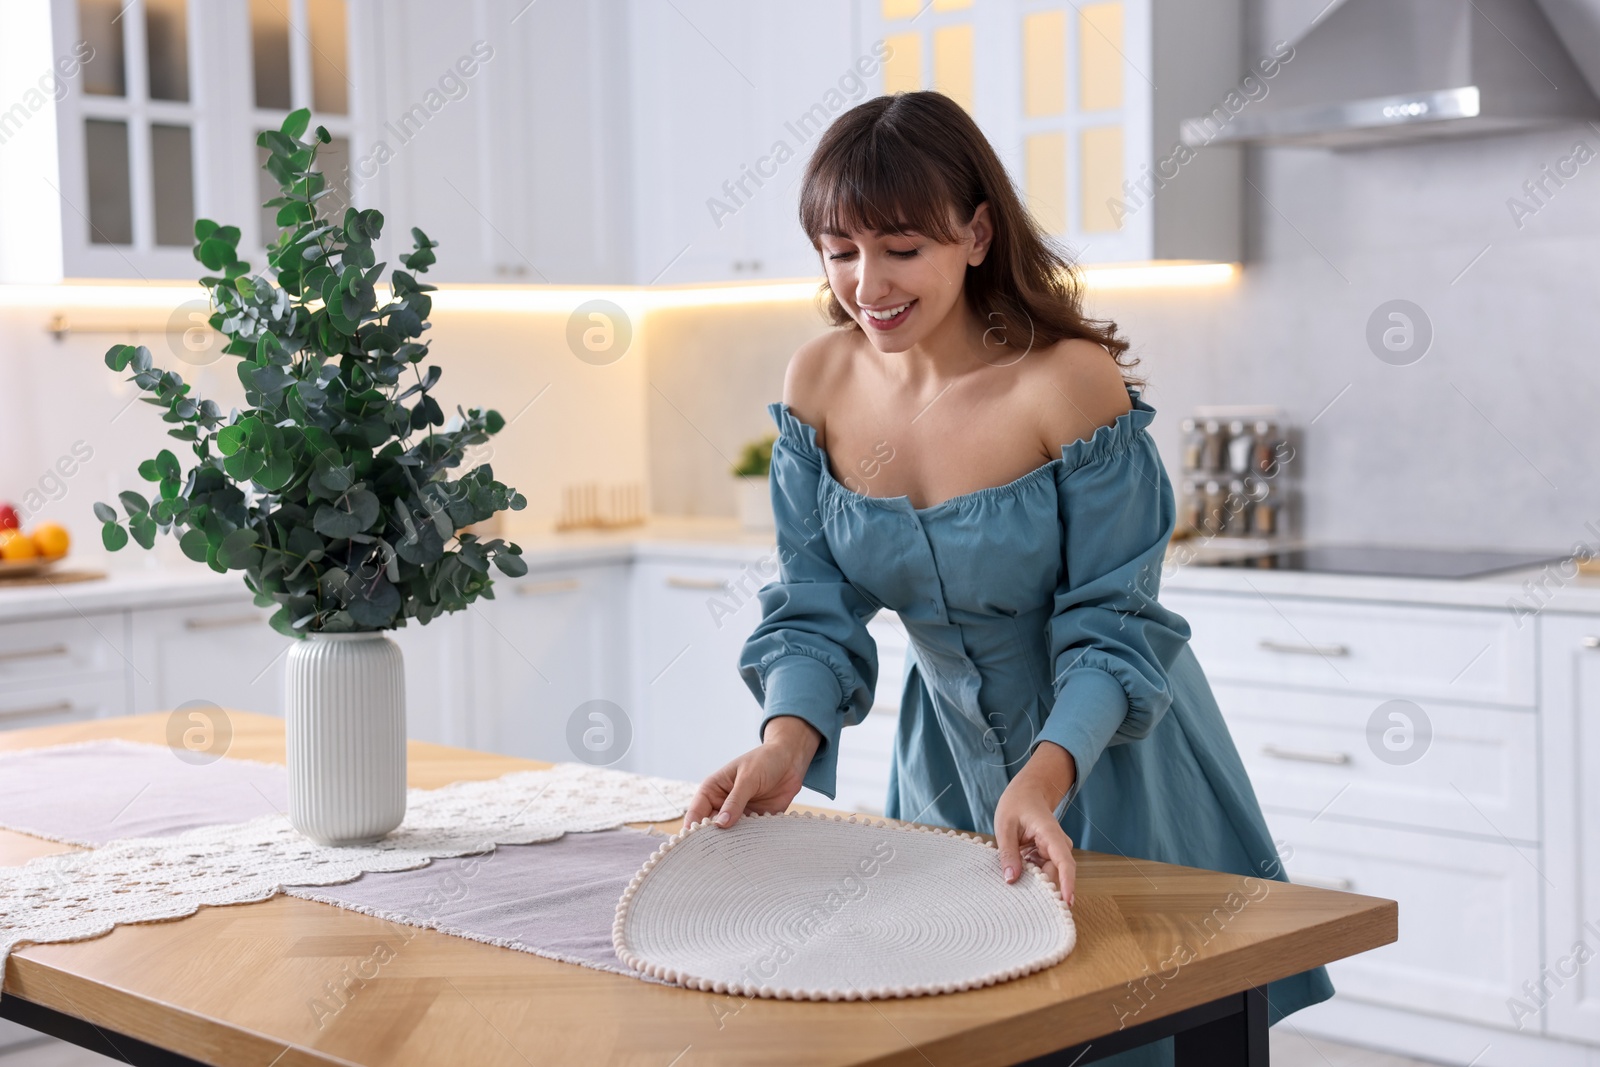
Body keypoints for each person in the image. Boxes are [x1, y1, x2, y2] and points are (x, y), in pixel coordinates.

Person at [683, 91, 1332, 1063]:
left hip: (1109, 754)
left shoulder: (1061, 382)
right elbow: (813, 603)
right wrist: (786, 738)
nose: (868, 282)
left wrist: (1044, 772)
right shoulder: (817, 380)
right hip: (940, 765)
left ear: (975, 233)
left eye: (902, 247)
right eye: (839, 247)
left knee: (1135, 1034)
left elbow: (1115, 620)